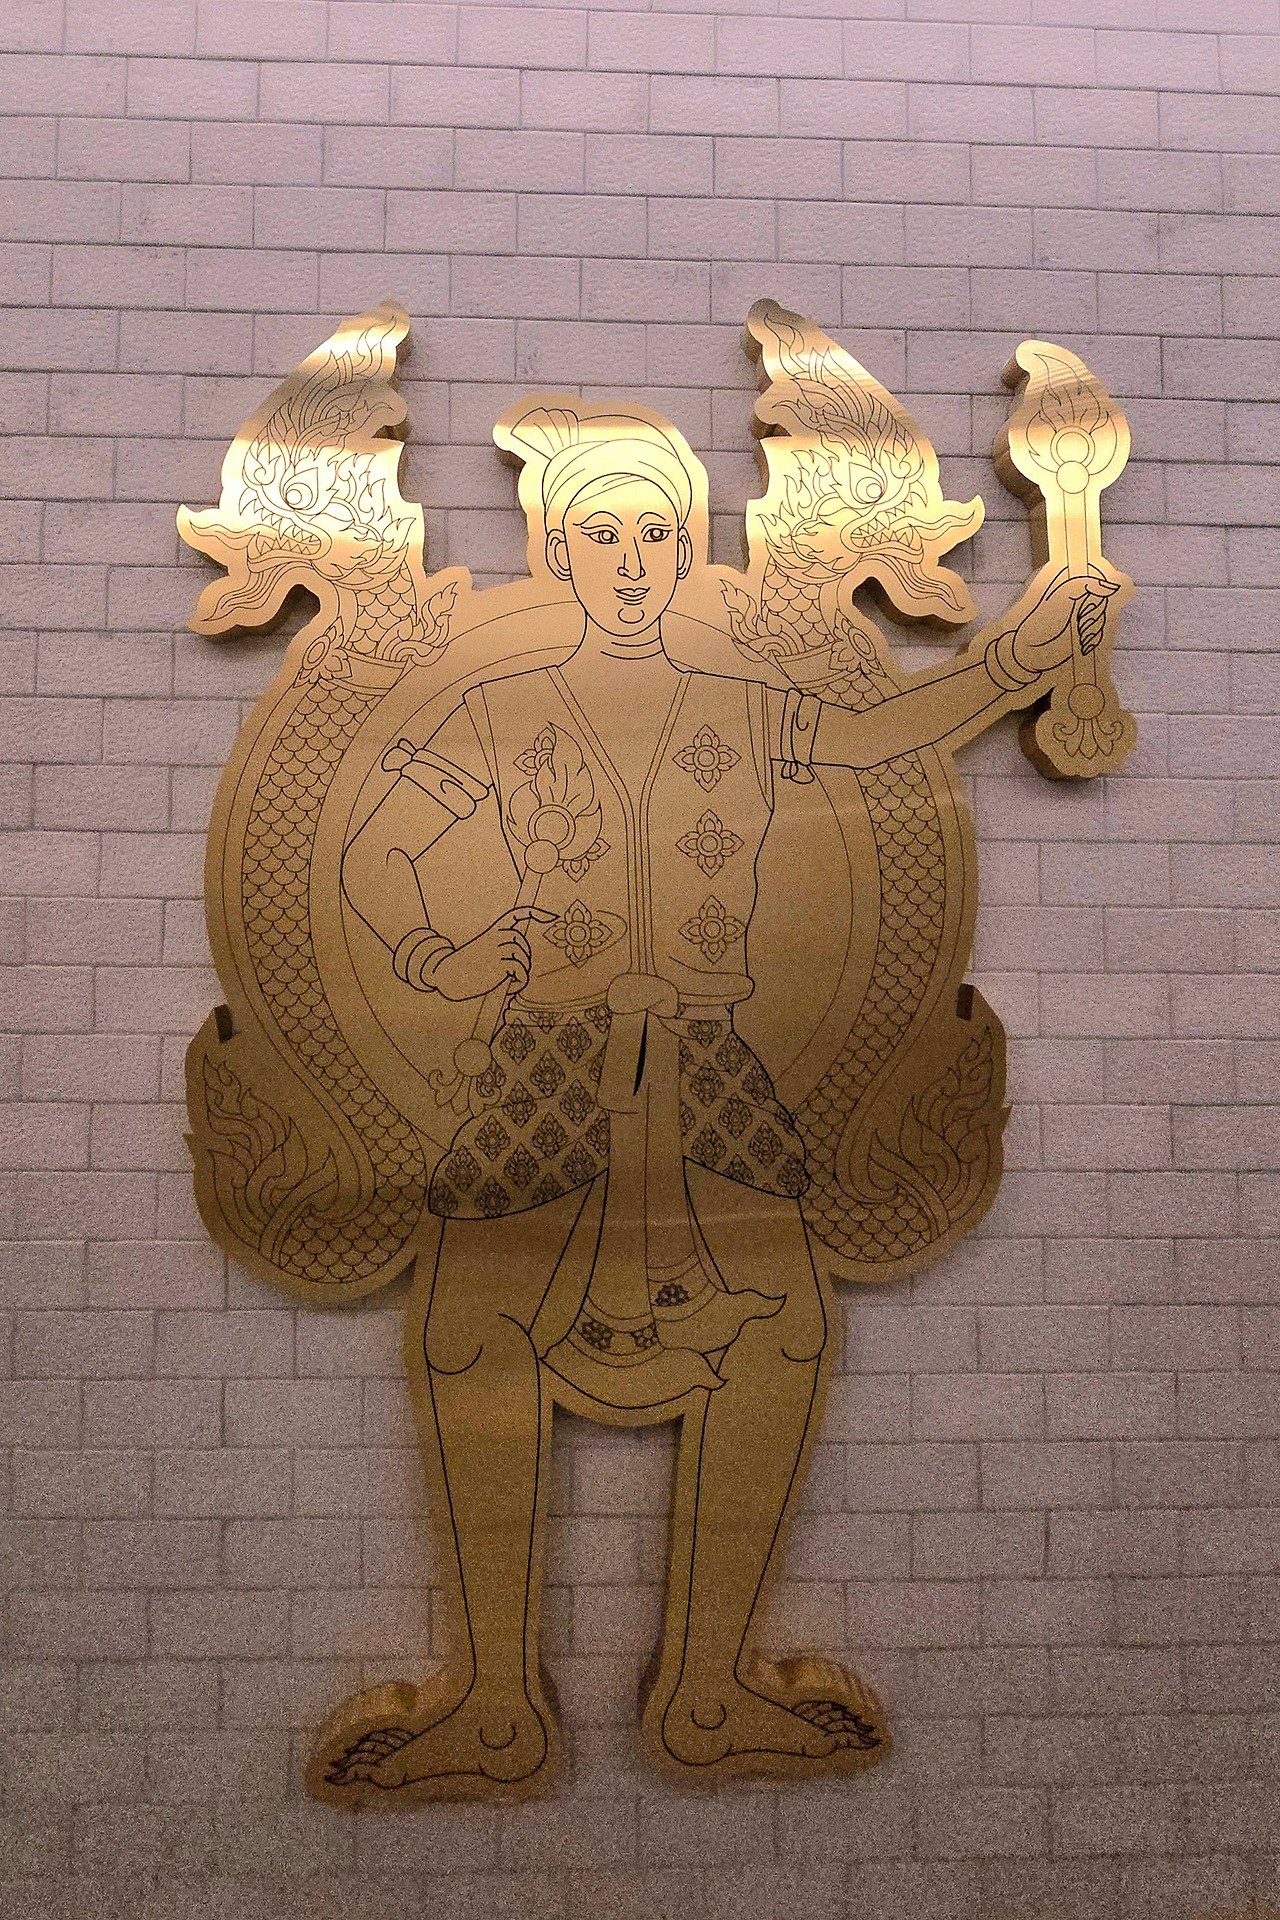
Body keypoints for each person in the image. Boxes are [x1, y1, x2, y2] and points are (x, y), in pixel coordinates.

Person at [323, 403, 1103, 1796]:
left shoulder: (744, 709)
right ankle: (492, 1702)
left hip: (708, 1062)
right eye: (601, 534)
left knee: (780, 1334)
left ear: (688, 552)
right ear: (557, 550)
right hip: (546, 1057)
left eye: (656, 535)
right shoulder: (495, 708)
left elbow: (885, 738)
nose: (630, 560)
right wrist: (441, 954)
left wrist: (1006, 666)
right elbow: (378, 846)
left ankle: (709, 1687)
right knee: (468, 1328)